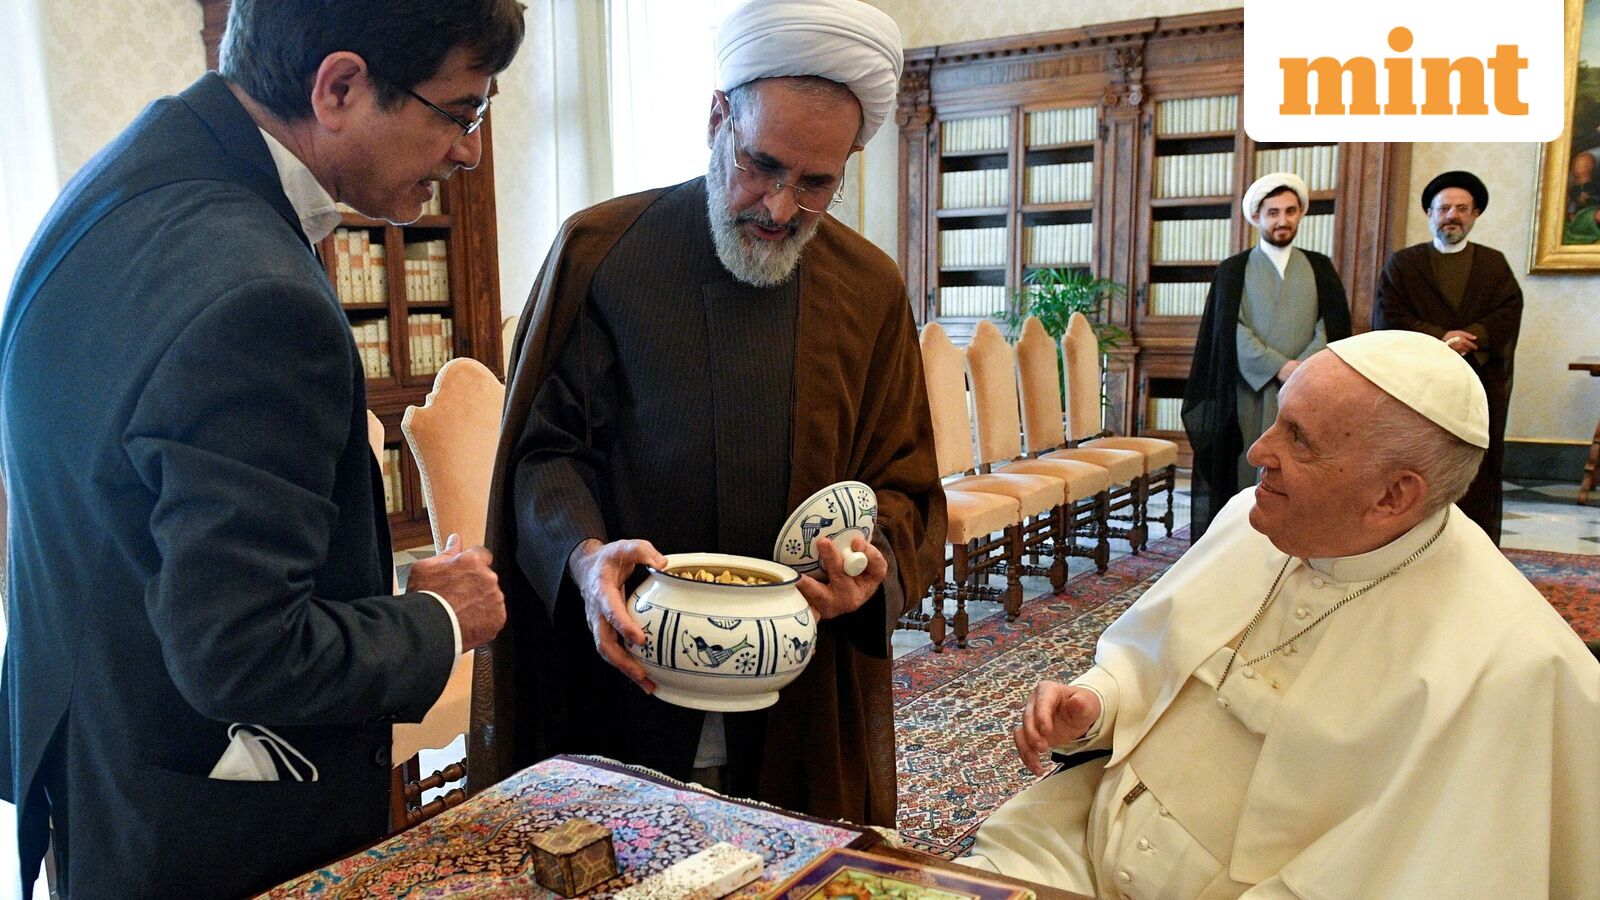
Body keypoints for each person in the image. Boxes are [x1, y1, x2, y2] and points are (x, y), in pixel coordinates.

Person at [0, 2, 524, 895]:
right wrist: (438, 619)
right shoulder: (259, 300)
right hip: (205, 826)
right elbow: (243, 650)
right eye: (460, 112)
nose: (470, 152)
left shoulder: (127, 171)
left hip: (94, 754)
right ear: (339, 87)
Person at [473, 0, 944, 827]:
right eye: (762, 165)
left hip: (800, 692)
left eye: (816, 183)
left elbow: (907, 489)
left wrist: (867, 571)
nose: (780, 207)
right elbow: (547, 455)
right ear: (718, 119)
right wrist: (584, 559)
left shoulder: (869, 290)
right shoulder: (604, 253)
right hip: (626, 673)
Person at [961, 330, 1599, 897]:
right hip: (1072, 846)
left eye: (1298, 438)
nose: (1258, 451)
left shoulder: (1512, 666)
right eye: (1277, 419)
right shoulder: (1254, 517)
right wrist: (1099, 704)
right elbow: (1150, 657)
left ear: (1393, 495)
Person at [1183, 172, 1350, 539]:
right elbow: (1230, 331)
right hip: (1249, 391)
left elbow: (1331, 326)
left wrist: (1302, 368)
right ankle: (1244, 541)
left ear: (1301, 214)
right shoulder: (1233, 271)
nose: (1282, 220)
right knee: (1248, 466)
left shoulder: (1320, 267)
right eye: (1273, 212)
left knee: (1303, 466)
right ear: (1257, 217)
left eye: (1290, 211)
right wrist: (1279, 366)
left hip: (1308, 389)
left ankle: (1298, 539)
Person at [1374, 170, 1522, 544]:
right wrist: (1441, 337)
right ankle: (1409, 542)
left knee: (1473, 464)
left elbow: (1508, 312)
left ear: (1475, 214)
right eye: (1444, 209)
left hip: (1477, 385)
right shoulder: (1403, 265)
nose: (1451, 216)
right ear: (1429, 213)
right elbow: (1390, 316)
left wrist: (1475, 337)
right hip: (1418, 387)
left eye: (1461, 209)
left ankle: (1473, 546)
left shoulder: (1493, 265)